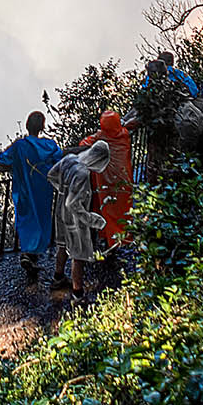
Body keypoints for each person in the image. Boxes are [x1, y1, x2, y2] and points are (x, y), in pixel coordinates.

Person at [0, 111, 63, 281]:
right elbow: (58, 155)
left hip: (25, 191)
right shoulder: (49, 145)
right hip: (44, 190)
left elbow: (4, 158)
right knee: (41, 220)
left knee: (27, 221)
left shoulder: (20, 146)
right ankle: (32, 255)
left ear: (27, 125)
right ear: (42, 126)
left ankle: (27, 253)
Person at [48, 140, 111, 301]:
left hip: (60, 210)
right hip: (74, 218)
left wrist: (63, 189)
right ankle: (78, 293)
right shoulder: (83, 173)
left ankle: (58, 277)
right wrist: (92, 220)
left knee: (61, 244)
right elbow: (73, 203)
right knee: (79, 254)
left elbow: (51, 175)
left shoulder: (69, 158)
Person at [80, 111, 134, 246]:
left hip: (106, 182)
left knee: (108, 210)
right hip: (124, 178)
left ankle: (111, 239)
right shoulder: (124, 135)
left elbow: (83, 144)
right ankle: (125, 236)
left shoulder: (100, 137)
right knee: (124, 208)